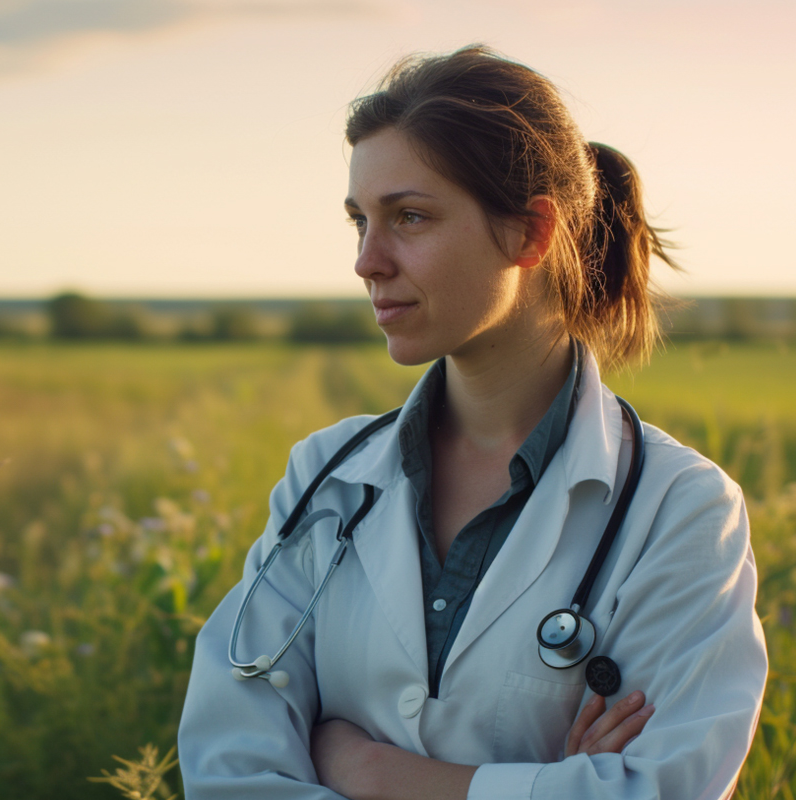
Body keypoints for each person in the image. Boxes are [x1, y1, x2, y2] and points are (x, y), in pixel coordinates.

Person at [177, 45, 767, 799]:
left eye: (410, 217)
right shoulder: (325, 476)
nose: (367, 260)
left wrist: (376, 771)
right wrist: (540, 784)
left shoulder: (679, 509)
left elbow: (661, 789)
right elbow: (232, 764)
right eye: (360, 220)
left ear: (530, 232)